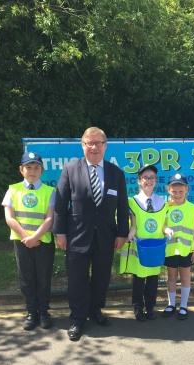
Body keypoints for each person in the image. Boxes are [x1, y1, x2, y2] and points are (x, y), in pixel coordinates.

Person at [54, 127, 129, 341]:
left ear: (105, 145)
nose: (94, 147)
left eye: (98, 143)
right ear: (83, 145)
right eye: (89, 143)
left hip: (106, 236)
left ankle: (95, 311)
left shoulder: (116, 173)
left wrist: (122, 233)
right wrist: (59, 232)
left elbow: (123, 207)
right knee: (77, 280)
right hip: (76, 236)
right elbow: (60, 204)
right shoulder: (70, 169)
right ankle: (77, 319)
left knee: (101, 279)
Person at [2, 152, 55, 330]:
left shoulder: (50, 191)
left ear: (42, 170)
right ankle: (32, 312)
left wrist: (35, 238)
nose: (32, 171)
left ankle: (44, 311)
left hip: (43, 242)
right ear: (21, 170)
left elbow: (49, 219)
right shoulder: (13, 190)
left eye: (36, 167)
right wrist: (27, 238)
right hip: (22, 243)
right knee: (26, 278)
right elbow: (9, 218)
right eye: (28, 167)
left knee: (43, 277)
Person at [119, 164, 167, 322]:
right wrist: (131, 234)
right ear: (139, 181)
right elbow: (133, 225)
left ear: (156, 180)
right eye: (145, 177)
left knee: (153, 279)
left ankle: (151, 306)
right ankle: (138, 307)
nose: (149, 180)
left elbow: (163, 224)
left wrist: (167, 231)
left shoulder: (162, 202)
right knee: (139, 280)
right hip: (140, 249)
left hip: (155, 248)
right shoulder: (132, 202)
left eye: (152, 177)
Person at [162, 173, 194, 320]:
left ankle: (183, 306)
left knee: (185, 278)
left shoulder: (193, 208)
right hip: (170, 250)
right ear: (168, 190)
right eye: (174, 191)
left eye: (181, 191)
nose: (177, 194)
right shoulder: (164, 208)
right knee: (171, 277)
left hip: (186, 251)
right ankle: (171, 304)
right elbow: (162, 225)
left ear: (187, 190)